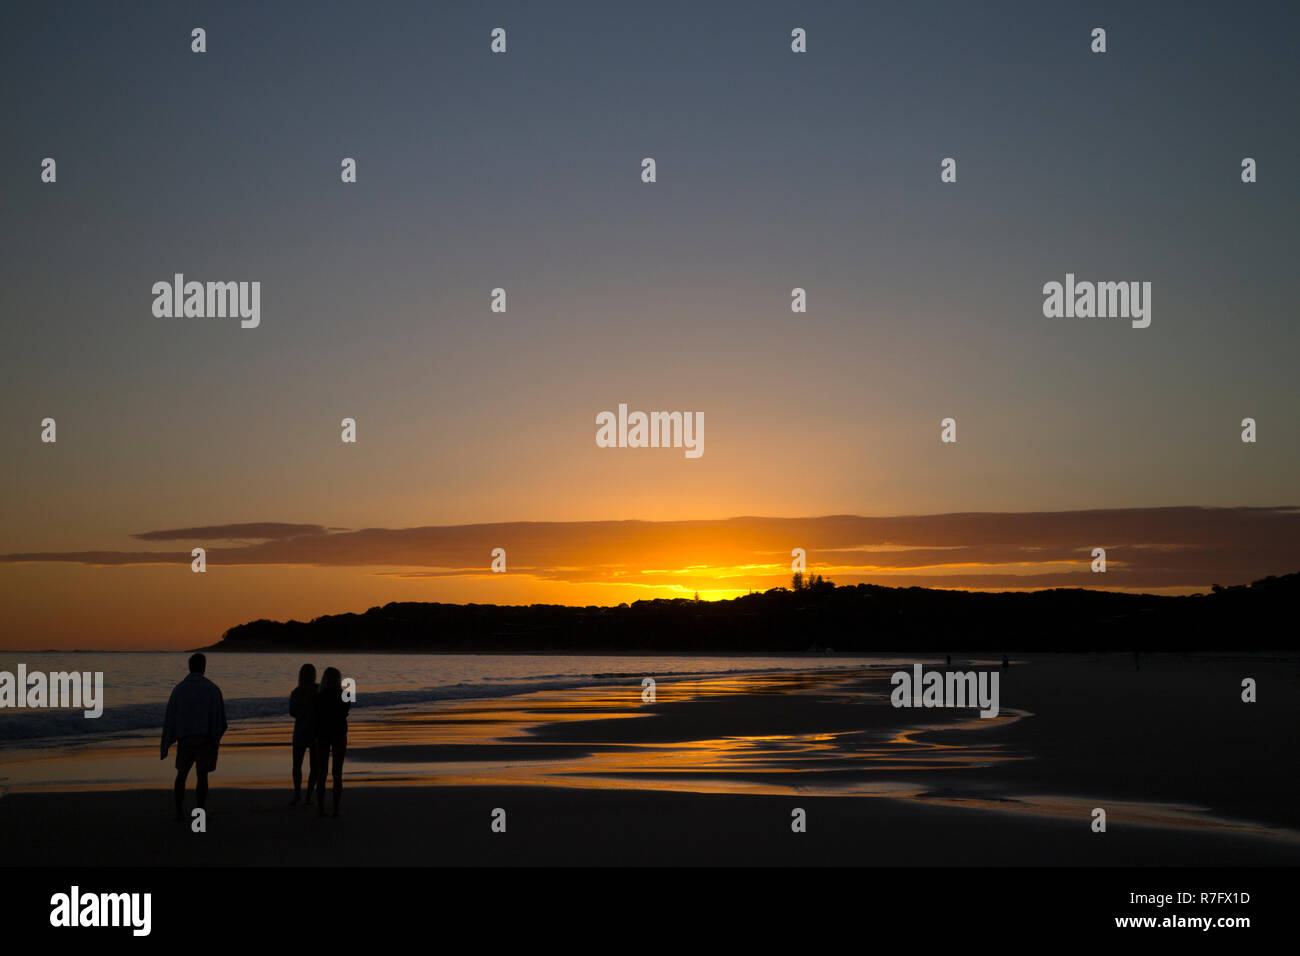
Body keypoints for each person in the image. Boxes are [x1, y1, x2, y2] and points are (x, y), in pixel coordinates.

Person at [161, 653, 228, 822]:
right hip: (204, 739)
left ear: (189, 667)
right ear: (203, 667)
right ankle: (200, 814)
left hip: (185, 738)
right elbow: (220, 718)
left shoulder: (179, 689)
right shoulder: (212, 689)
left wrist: (167, 741)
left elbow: (170, 717)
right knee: (202, 776)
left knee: (181, 774)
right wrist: (215, 738)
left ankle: (178, 812)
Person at [313, 667, 350, 817]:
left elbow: (315, 716)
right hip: (339, 733)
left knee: (322, 773)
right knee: (337, 773)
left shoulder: (319, 696)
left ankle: (321, 808)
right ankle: (336, 808)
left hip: (322, 734)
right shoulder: (344, 695)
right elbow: (345, 712)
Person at [288, 663, 319, 806]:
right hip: (316, 732)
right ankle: (308, 796)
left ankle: (297, 794)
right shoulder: (318, 690)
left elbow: (292, 712)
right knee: (315, 766)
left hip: (300, 731)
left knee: (297, 765)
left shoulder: (296, 692)